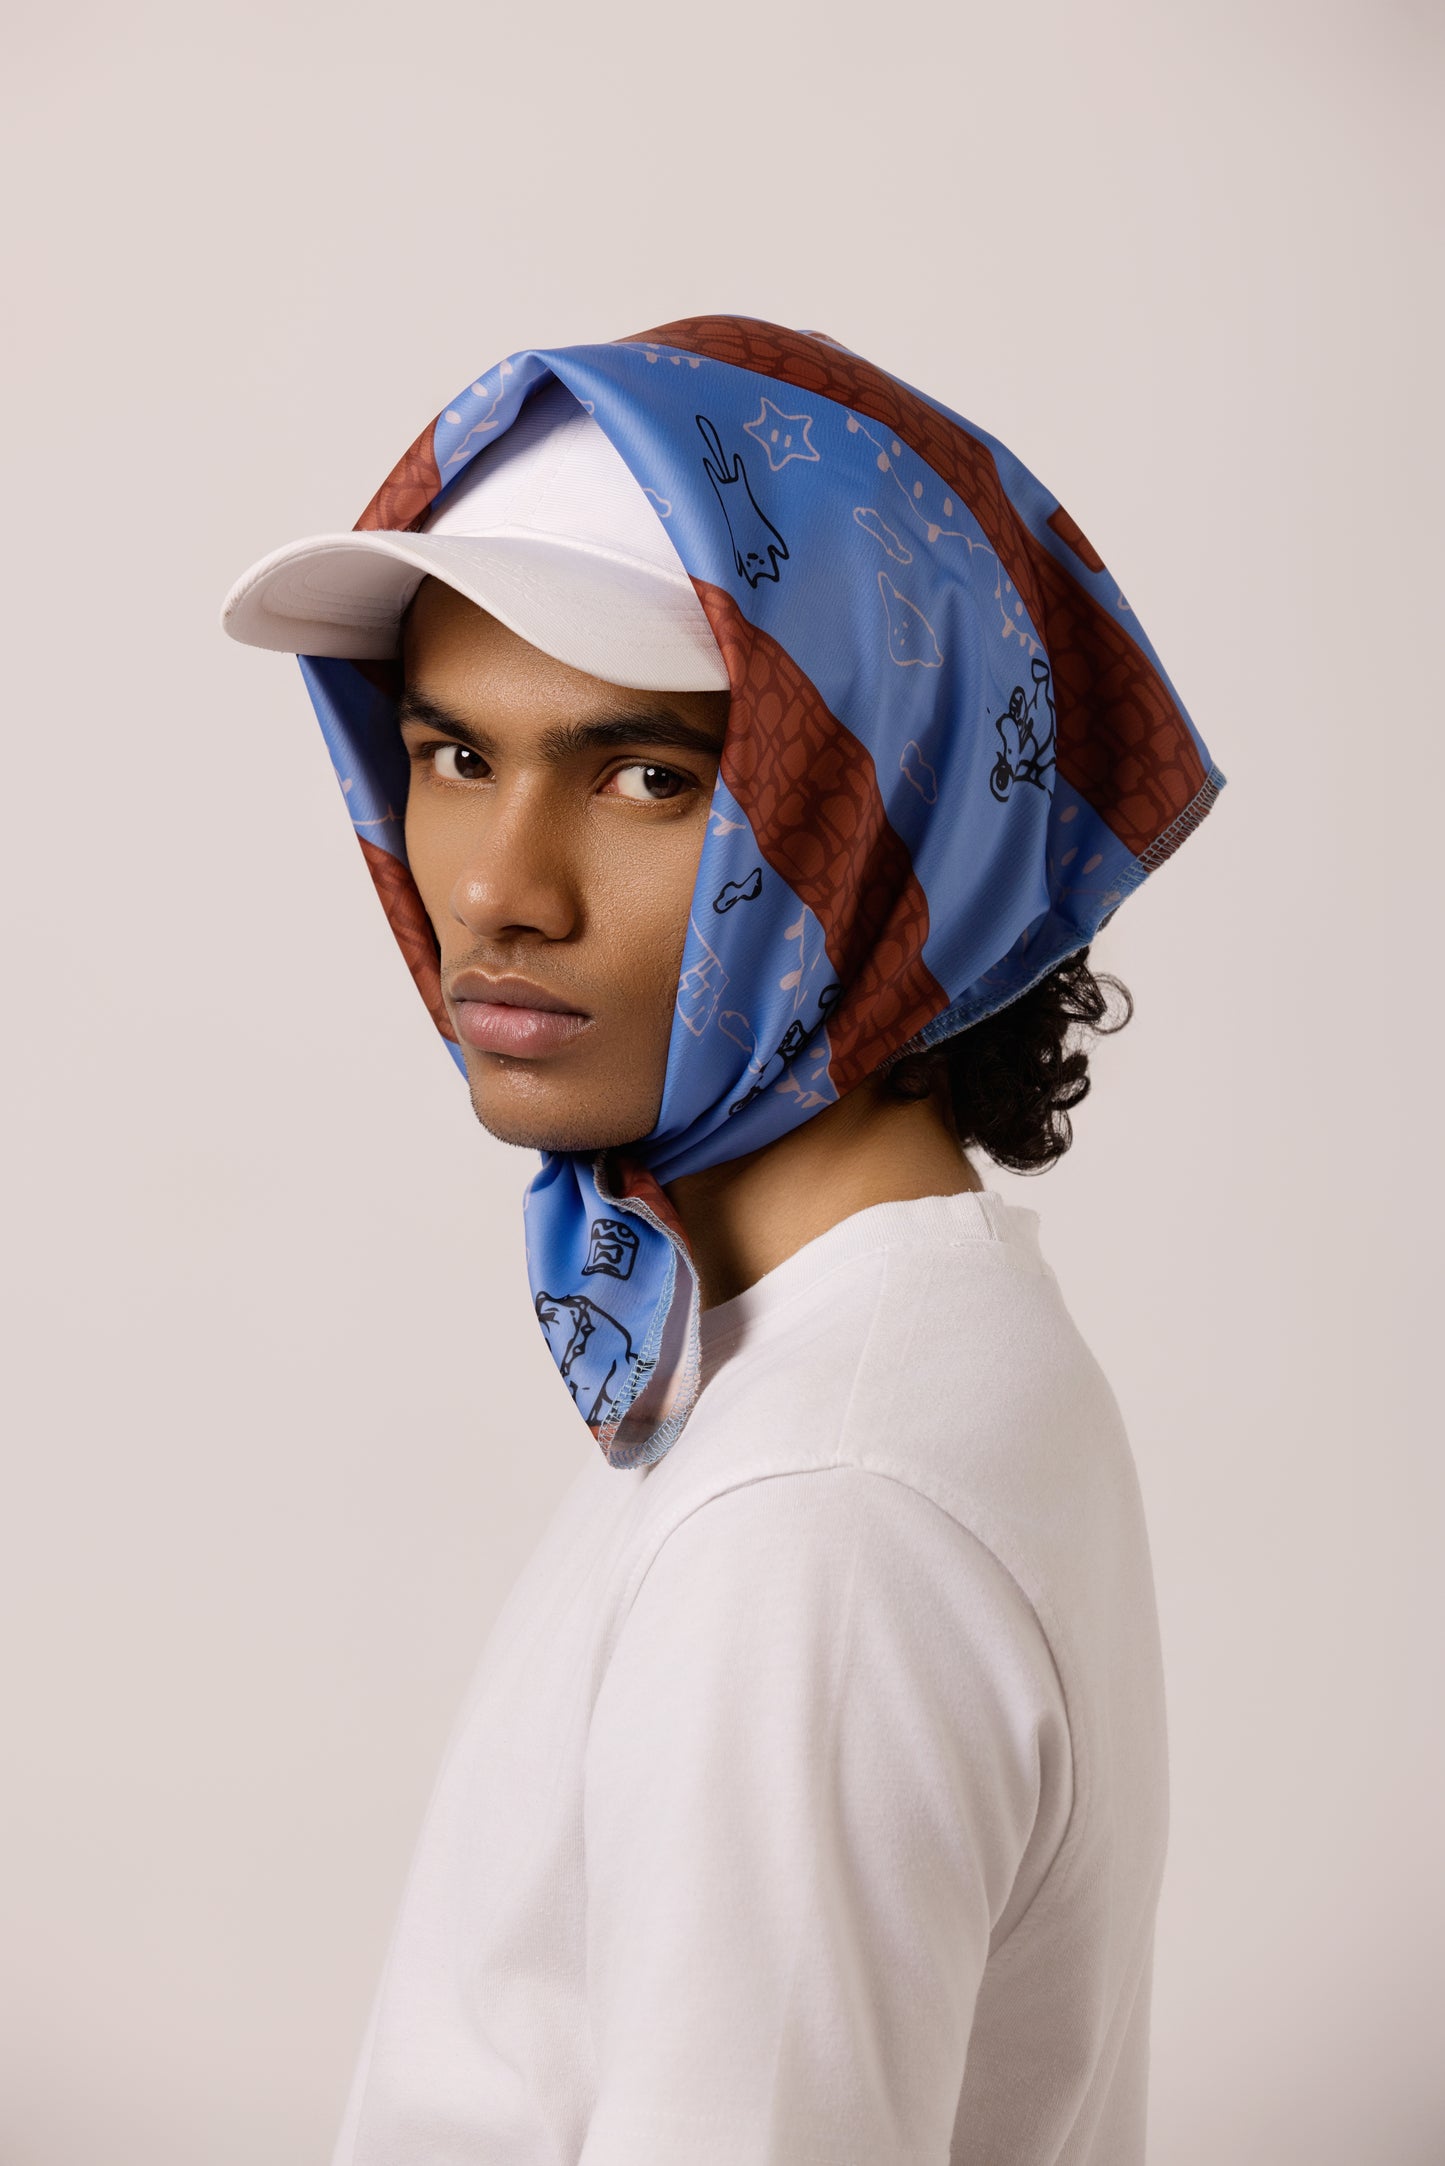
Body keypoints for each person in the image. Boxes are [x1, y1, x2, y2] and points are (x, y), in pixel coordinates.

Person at [221, 314, 1227, 2165]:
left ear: (879, 810)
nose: (496, 890)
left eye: (648, 777)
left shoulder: (818, 1518)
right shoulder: (861, 1346)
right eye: (452, 752)